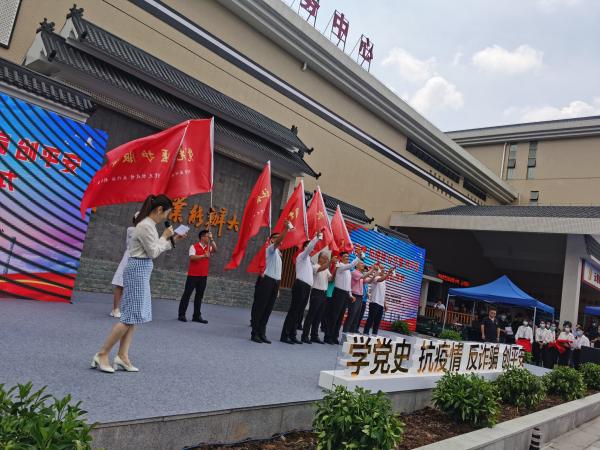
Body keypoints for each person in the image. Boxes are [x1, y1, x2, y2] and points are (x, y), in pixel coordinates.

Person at [92, 194, 185, 373]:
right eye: (167, 213)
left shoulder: (148, 225)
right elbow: (153, 252)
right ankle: (102, 353)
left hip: (140, 269)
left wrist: (170, 241)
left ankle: (122, 356)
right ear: (159, 210)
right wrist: (166, 237)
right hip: (137, 269)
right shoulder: (145, 226)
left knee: (133, 316)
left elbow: (154, 249)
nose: (167, 217)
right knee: (128, 317)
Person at [250, 222, 290, 344]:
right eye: (275, 238)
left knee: (268, 309)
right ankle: (255, 333)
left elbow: (278, 272)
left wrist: (277, 288)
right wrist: (286, 229)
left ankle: (262, 332)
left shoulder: (279, 254)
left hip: (275, 282)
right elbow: (278, 242)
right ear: (271, 240)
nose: (278, 240)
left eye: (279, 238)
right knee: (260, 307)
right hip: (266, 281)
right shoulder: (270, 249)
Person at [280, 234, 320, 344]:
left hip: (307, 287)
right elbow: (309, 247)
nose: (310, 249)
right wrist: (316, 238)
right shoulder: (302, 256)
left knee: (299, 312)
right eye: (307, 247)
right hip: (300, 285)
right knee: (294, 311)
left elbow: (317, 269)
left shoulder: (309, 260)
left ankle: (293, 335)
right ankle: (285, 335)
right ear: (304, 248)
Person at [178, 230, 217, 323]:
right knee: (187, 295)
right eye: (208, 236)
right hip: (193, 275)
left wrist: (212, 239)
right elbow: (192, 257)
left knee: (199, 296)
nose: (209, 238)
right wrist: (203, 256)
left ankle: (196, 316)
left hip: (203, 276)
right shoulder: (193, 246)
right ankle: (181, 314)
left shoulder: (208, 248)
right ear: (202, 237)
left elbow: (215, 249)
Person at [324, 251, 362, 345]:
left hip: (345, 294)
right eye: (345, 256)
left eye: (348, 257)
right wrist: (359, 257)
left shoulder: (348, 270)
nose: (347, 258)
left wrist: (350, 295)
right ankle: (328, 336)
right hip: (338, 293)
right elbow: (350, 265)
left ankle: (334, 337)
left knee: (340, 317)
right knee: (334, 316)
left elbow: (348, 285)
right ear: (341, 258)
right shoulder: (340, 266)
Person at [109, 213, 137, 318]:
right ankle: (115, 309)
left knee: (133, 286)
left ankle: (127, 309)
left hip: (138, 259)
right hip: (129, 257)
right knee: (120, 284)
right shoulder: (131, 229)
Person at [301, 252, 333, 344]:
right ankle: (305, 335)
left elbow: (331, 279)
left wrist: (335, 270)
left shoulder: (326, 269)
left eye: (327, 258)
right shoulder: (315, 266)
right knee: (311, 314)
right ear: (320, 258)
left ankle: (314, 335)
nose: (326, 260)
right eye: (325, 258)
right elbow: (320, 269)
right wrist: (330, 262)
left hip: (324, 293)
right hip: (316, 292)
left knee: (319, 316)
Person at [343, 262, 375, 334]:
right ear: (356, 265)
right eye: (361, 264)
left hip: (360, 297)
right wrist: (372, 269)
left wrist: (374, 275)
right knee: (351, 315)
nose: (363, 265)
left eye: (363, 264)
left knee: (356, 316)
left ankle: (351, 333)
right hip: (354, 295)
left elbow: (368, 281)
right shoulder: (354, 272)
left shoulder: (361, 274)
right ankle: (345, 333)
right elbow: (363, 277)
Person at [363, 265, 394, 336]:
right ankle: (365, 333)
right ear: (378, 270)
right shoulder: (376, 277)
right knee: (371, 318)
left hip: (381, 304)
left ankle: (374, 334)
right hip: (374, 302)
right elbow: (381, 280)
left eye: (384, 269)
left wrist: (385, 304)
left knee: (377, 321)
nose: (383, 270)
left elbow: (383, 293)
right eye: (382, 269)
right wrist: (389, 273)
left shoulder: (384, 281)